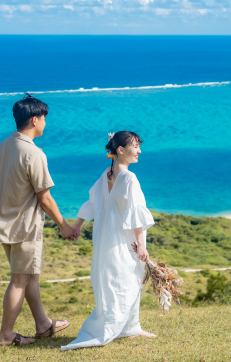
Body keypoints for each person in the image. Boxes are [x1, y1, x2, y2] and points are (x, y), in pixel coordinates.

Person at [0, 93, 76, 347]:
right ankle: (6, 335)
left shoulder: (3, 146)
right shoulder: (34, 153)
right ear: (34, 120)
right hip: (25, 227)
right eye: (44, 118)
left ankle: (43, 324)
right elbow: (45, 198)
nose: (45, 123)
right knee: (19, 280)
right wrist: (64, 226)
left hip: (4, 224)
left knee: (29, 275)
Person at [61, 130, 157, 351]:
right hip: (122, 238)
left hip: (104, 237)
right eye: (135, 146)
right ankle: (119, 326)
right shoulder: (129, 177)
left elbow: (93, 202)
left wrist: (77, 225)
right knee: (127, 280)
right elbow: (135, 213)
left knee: (114, 279)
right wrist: (141, 244)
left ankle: (131, 326)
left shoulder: (108, 173)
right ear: (121, 150)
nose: (139, 151)